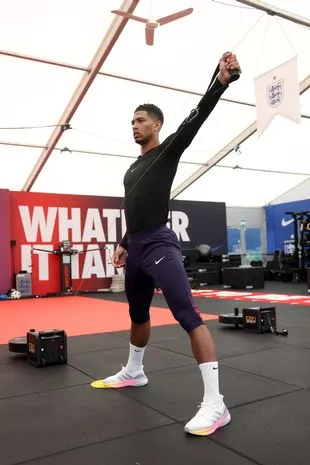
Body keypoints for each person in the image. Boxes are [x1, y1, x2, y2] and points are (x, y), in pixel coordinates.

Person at [91, 52, 241, 436]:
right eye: (132, 121)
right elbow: (136, 206)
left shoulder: (167, 151)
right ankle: (134, 371)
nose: (135, 126)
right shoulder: (132, 167)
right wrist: (124, 242)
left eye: (141, 120)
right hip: (136, 246)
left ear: (157, 125)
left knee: (187, 314)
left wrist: (220, 81)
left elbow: (198, 117)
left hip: (159, 244)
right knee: (138, 316)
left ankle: (216, 404)